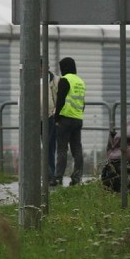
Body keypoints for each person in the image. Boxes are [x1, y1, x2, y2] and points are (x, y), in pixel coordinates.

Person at [52, 57, 85, 186]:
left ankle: (58, 177)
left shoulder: (65, 80)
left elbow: (60, 100)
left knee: (62, 149)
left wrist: (56, 118)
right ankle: (77, 177)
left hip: (65, 119)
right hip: (78, 119)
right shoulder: (81, 82)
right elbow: (82, 102)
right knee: (77, 149)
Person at [43, 70, 59, 182]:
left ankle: (50, 174)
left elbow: (59, 96)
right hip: (34, 118)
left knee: (49, 146)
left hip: (49, 116)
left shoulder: (54, 80)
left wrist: (55, 111)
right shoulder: (30, 79)